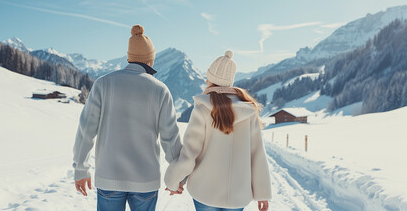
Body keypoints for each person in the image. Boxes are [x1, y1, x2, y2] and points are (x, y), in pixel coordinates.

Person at [72, 24, 184, 211]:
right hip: (145, 181)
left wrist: (81, 169)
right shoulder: (160, 89)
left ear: (129, 57)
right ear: (151, 60)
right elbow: (170, 138)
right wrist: (178, 176)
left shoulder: (103, 83)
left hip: (109, 178)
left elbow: (86, 130)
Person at [164, 50, 272, 211]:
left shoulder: (202, 109)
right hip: (237, 195)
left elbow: (190, 153)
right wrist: (262, 193)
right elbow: (257, 154)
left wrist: (174, 181)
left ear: (211, 79)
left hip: (205, 191)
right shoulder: (249, 112)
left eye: (208, 76)